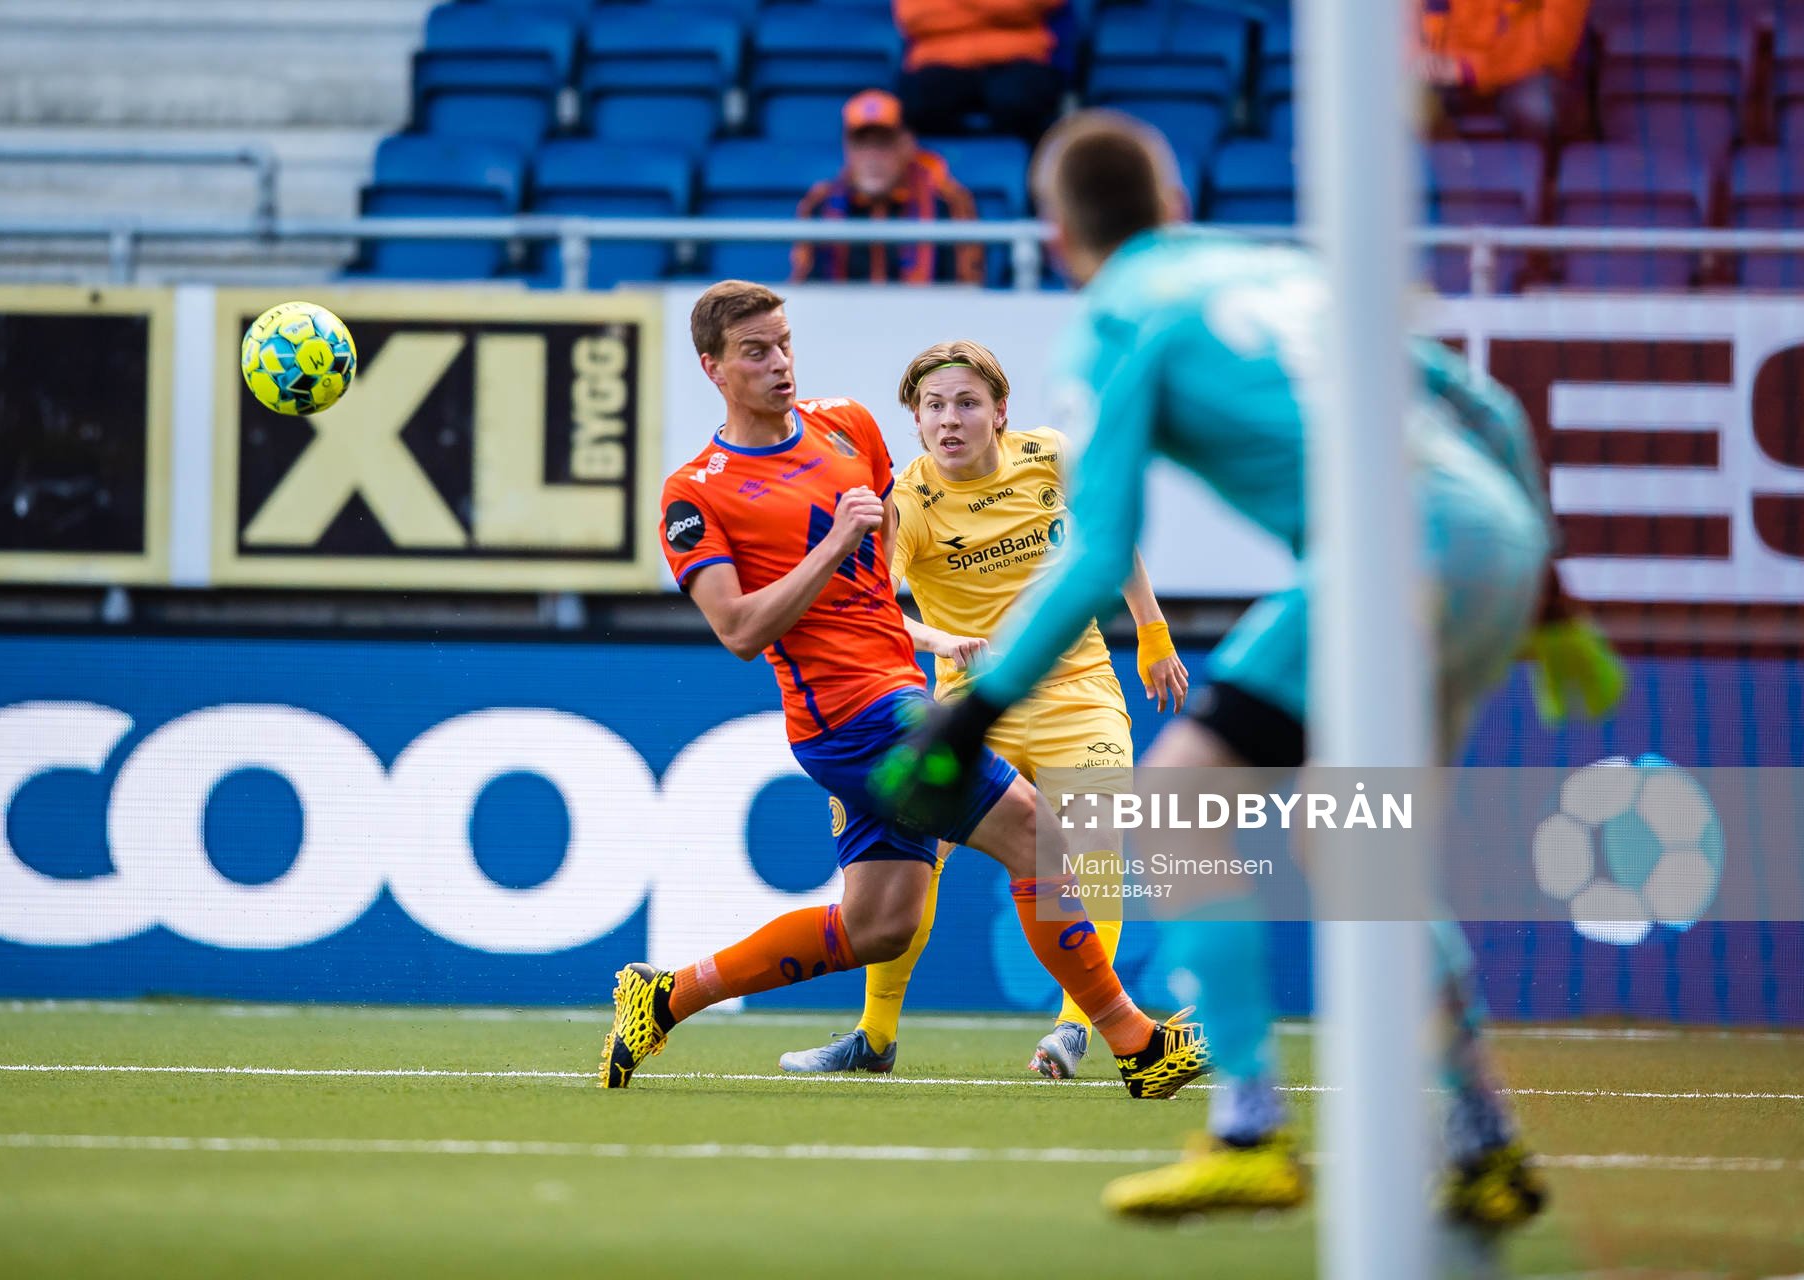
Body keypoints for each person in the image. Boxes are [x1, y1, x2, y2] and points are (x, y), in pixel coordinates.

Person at [870, 112, 1623, 1226]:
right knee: (1361, 848)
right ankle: (1484, 1144)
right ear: (1174, 205)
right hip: (1494, 541)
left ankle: (1249, 1128)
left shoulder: (1124, 313)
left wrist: (976, 705)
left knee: (1179, 796)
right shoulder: (1280, 272)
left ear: (1061, 234)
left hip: (1384, 554)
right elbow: (1490, 405)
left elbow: (1098, 550)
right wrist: (1549, 592)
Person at [600, 279, 1209, 1101]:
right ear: (713, 368)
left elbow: (878, 573)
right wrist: (833, 546)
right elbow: (741, 631)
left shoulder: (846, 424)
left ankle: (663, 998)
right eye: (755, 352)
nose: (779, 362)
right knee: (1042, 835)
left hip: (893, 698)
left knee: (876, 924)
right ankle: (1137, 1045)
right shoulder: (695, 493)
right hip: (852, 716)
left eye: (783, 342)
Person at [777, 339, 1191, 1080]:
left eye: (967, 403)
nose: (950, 419)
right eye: (933, 407)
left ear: (1001, 412)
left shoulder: (1050, 457)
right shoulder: (905, 501)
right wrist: (941, 637)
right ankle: (873, 1038)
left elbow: (1110, 536)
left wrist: (1153, 634)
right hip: (972, 706)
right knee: (910, 864)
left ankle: (1075, 1029)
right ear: (915, 422)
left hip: (1078, 690)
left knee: (1094, 851)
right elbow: (871, 608)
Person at [791, 90, 985, 287]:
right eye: (862, 145)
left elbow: (967, 290)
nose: (872, 158)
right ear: (847, 148)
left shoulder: (947, 202)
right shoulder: (821, 204)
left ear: (907, 144)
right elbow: (805, 288)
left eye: (883, 144)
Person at [894, 0, 1067, 145]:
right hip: (939, 61)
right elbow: (914, 15)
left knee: (1019, 100)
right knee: (916, 101)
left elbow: (1030, 4)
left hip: (1019, 57)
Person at [1417, 0, 1589, 138]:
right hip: (1453, 72)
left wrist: (1472, 68)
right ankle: (1458, 174)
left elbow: (1553, 43)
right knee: (1408, 101)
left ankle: (1542, 178)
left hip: (1528, 74)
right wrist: (1427, 59)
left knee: (1538, 110)